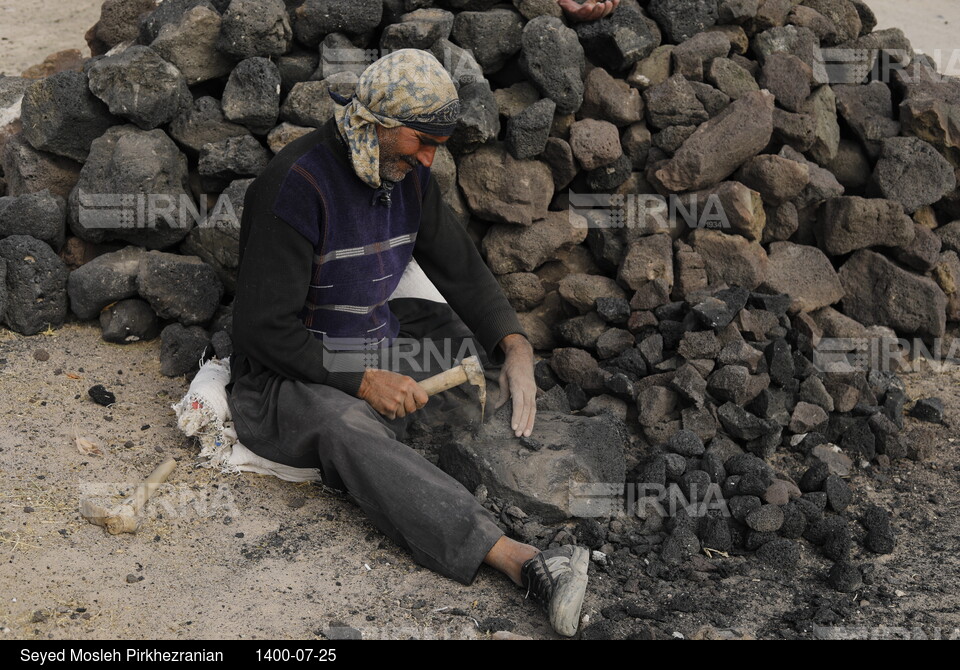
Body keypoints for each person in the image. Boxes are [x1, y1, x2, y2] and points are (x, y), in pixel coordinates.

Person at [227, 49, 589, 637]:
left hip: (376, 340)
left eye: (436, 146)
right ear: (376, 121)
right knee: (347, 425)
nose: (428, 158)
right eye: (421, 142)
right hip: (291, 374)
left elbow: (461, 270)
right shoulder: (294, 186)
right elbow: (262, 329)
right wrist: (363, 381)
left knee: (466, 344)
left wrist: (515, 346)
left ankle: (442, 460)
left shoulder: (408, 175)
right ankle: (517, 558)